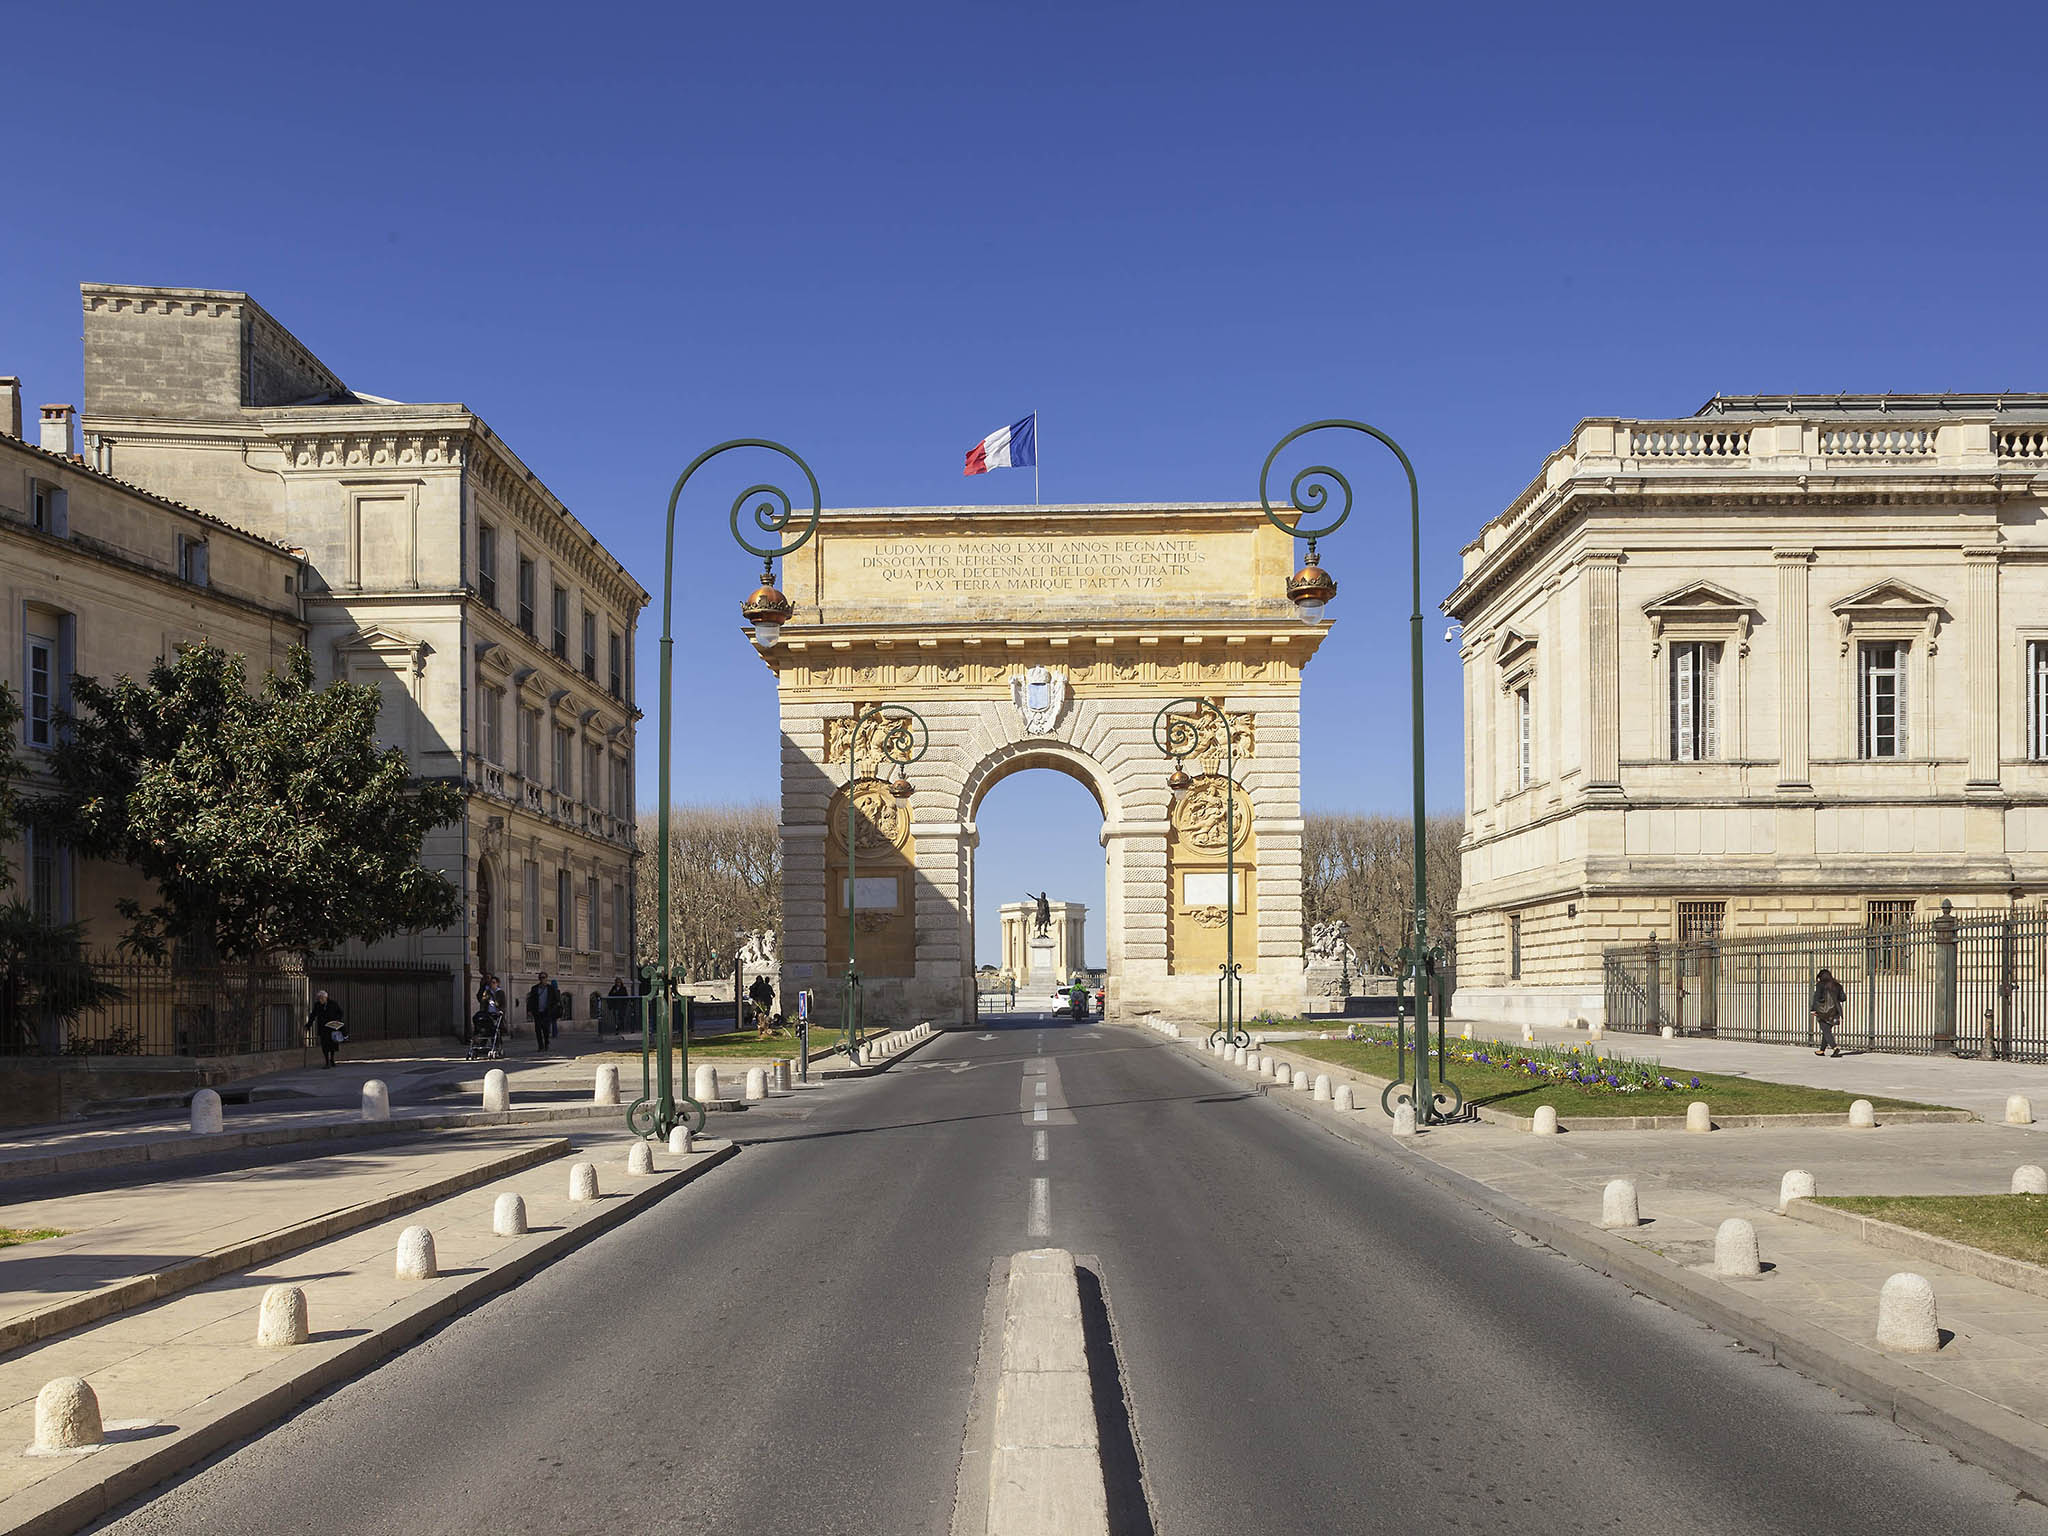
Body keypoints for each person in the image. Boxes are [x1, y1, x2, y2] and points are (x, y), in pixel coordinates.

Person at [1810, 967, 1846, 1057]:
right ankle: (1822, 1050)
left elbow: (1816, 997)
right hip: (1835, 1011)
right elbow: (1843, 998)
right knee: (1827, 1030)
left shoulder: (1820, 985)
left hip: (1823, 1012)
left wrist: (1813, 1009)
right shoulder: (1837, 985)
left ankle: (1834, 1047)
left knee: (1825, 1030)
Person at [306, 989, 346, 1069]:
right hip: (323, 1028)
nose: (320, 1000)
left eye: (322, 998)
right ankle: (327, 1062)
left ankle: (332, 1059)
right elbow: (313, 1015)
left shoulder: (333, 1004)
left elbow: (340, 1012)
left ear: (326, 997)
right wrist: (308, 1025)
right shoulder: (317, 1005)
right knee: (324, 1045)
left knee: (332, 1045)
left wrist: (337, 1020)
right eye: (319, 998)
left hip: (332, 1028)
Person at [526, 971, 562, 1052]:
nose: (542, 979)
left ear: (546, 978)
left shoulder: (551, 988)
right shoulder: (534, 988)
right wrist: (529, 1010)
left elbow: (556, 1000)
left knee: (546, 1029)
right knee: (538, 1029)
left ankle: (546, 1043)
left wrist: (552, 1009)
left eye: (544, 977)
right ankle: (540, 1046)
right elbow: (530, 1000)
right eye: (541, 978)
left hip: (547, 1012)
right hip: (537, 1012)